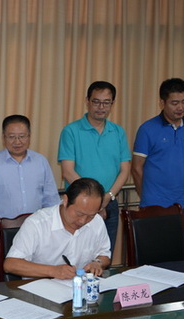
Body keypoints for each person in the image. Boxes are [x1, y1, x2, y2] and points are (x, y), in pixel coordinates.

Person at [0, 114, 60, 280]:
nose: (17, 142)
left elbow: (51, 198)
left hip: (38, 231)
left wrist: (54, 228)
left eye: (22, 136)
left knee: (38, 277)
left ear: (29, 136)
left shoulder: (41, 161)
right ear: (3, 137)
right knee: (5, 279)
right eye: (11, 137)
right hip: (4, 232)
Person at [58, 81, 131, 255]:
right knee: (77, 256)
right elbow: (68, 171)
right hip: (79, 206)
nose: (101, 107)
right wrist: (95, 202)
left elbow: (125, 170)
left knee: (104, 256)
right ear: (87, 101)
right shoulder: (71, 131)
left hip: (109, 202)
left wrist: (107, 197)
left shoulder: (118, 132)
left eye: (106, 102)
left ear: (112, 103)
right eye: (96, 102)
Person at [3, 178, 111, 279]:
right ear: (65, 200)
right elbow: (10, 264)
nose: (82, 221)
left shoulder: (97, 221)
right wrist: (53, 271)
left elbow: (104, 254)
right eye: (79, 214)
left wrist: (98, 263)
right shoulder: (37, 223)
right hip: (39, 288)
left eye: (90, 216)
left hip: (79, 287)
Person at [132, 78, 184, 232]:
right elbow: (136, 168)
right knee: (155, 246)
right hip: (154, 204)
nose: (180, 107)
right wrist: (146, 197)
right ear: (162, 103)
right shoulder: (147, 129)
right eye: (174, 103)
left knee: (179, 246)